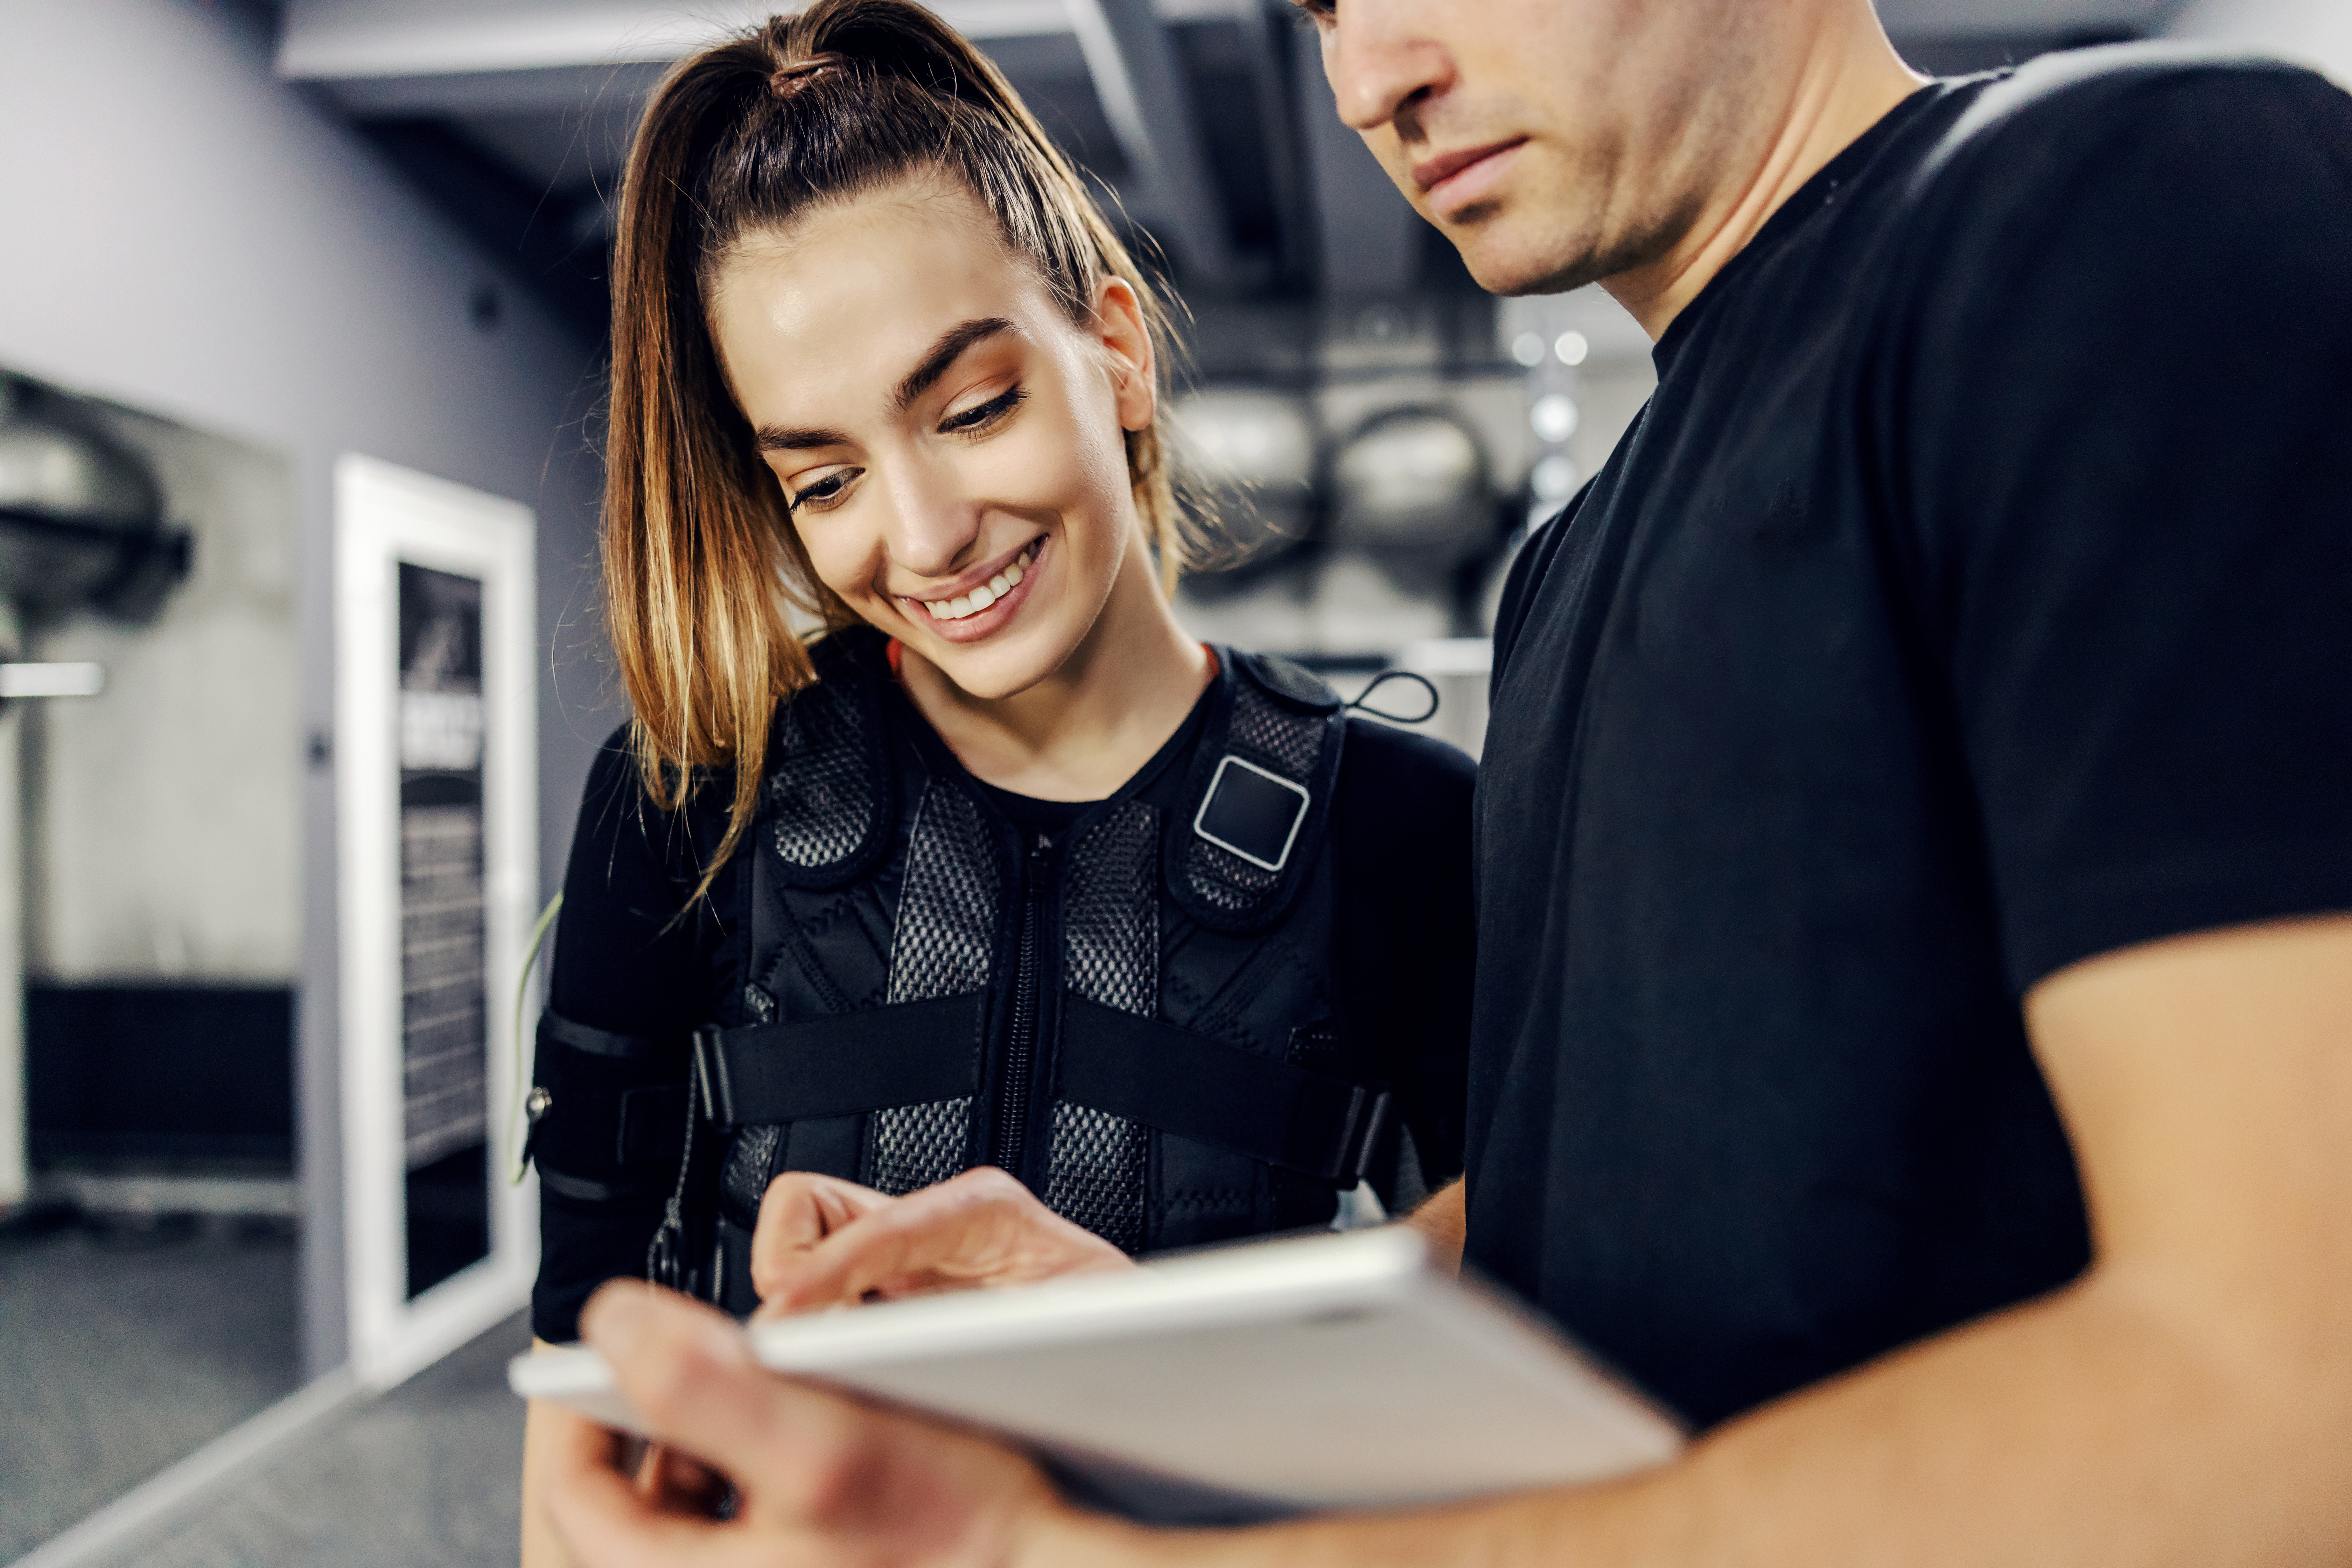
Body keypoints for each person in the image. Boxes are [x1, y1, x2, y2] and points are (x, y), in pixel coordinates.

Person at [541, 0, 2352, 1562]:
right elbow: (1598, 1249)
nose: (1365, 79)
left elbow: (2298, 1399)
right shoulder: (1570, 582)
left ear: (1110, 352)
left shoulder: (2128, 209)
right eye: (1324, 11)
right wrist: (1126, 1338)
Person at [514, 1, 1479, 1561]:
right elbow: (581, 1401)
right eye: (822, 477)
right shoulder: (691, 800)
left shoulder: (1403, 827)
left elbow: (1497, 1347)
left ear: (1112, 347)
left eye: (973, 410)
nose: (922, 535)